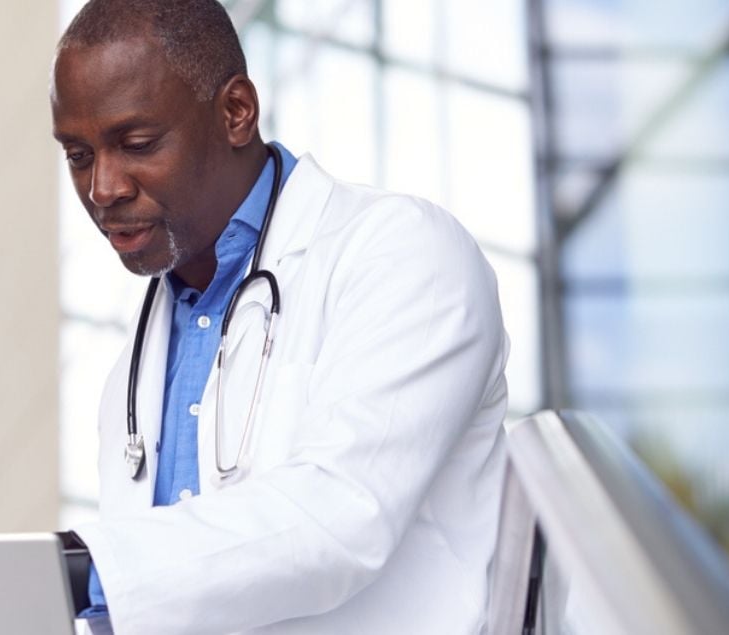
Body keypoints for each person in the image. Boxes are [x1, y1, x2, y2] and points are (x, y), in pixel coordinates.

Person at [51, 1, 510, 633]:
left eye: (136, 144)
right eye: (78, 155)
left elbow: (340, 518)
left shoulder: (402, 254)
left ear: (237, 112)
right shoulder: (135, 362)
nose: (103, 188)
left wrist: (76, 568)